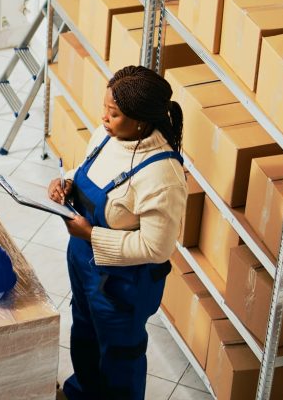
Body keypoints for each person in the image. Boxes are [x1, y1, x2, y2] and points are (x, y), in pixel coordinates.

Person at [47, 66, 187, 400]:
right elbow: (86, 170)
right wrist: (65, 182)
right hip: (83, 262)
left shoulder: (163, 174)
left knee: (118, 353)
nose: (104, 118)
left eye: (114, 114)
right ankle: (82, 393)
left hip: (122, 282)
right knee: (84, 332)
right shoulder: (107, 136)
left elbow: (157, 247)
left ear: (140, 120)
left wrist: (91, 235)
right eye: (105, 109)